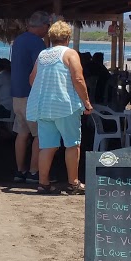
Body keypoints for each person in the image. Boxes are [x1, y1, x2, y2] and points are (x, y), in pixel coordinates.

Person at [25, 20, 94, 194]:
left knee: (47, 146)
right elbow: (78, 79)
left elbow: (32, 79)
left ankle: (43, 183)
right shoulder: (70, 54)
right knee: (72, 144)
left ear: (51, 37)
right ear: (67, 37)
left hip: (43, 106)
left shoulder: (43, 55)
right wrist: (86, 102)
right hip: (64, 105)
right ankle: (73, 183)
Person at [9, 11, 51, 183]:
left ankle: (20, 171)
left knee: (21, 133)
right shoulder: (36, 43)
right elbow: (41, 67)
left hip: (16, 95)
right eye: (47, 26)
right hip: (31, 95)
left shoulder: (18, 41)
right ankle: (34, 172)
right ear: (42, 26)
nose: (48, 30)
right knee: (39, 134)